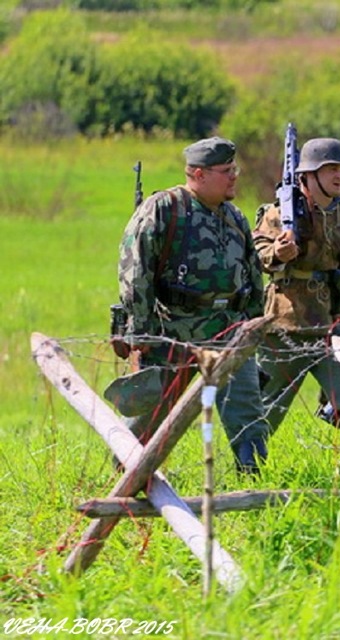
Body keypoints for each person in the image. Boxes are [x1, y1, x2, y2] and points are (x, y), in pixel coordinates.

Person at [113, 136, 270, 475]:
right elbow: (135, 272)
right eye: (226, 171)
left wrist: (254, 325)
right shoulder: (164, 209)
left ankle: (254, 491)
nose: (235, 177)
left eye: (235, 169)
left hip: (229, 333)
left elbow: (252, 273)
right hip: (172, 332)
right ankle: (123, 480)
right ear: (198, 174)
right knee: (149, 418)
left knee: (247, 417)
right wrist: (144, 332)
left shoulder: (234, 217)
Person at [253, 137, 340, 462]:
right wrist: (278, 253)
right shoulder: (277, 213)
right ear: (308, 175)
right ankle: (244, 472)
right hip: (282, 326)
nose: (338, 175)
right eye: (329, 169)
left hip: (331, 326)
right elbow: (255, 253)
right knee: (262, 412)